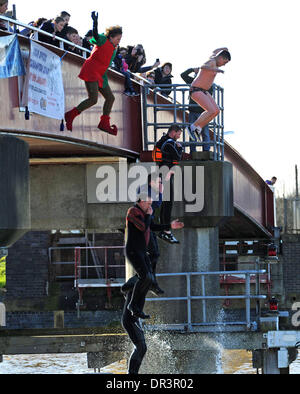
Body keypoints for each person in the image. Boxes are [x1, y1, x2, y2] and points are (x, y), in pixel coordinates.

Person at [125, 193, 183, 319]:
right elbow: (142, 227)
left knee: (149, 278)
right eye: (148, 203)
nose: (150, 206)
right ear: (140, 201)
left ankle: (137, 308)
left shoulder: (146, 214)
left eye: (151, 204)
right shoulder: (133, 211)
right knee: (144, 276)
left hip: (142, 251)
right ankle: (132, 305)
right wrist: (148, 215)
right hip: (133, 250)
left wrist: (169, 226)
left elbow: (152, 226)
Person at [64, 12, 122, 135]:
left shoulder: (114, 50)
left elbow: (106, 64)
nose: (119, 41)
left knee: (110, 98)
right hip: (91, 70)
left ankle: (104, 123)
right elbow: (95, 34)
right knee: (93, 99)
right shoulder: (103, 39)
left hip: (101, 74)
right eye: (117, 39)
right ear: (111, 37)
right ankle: (71, 115)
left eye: (120, 39)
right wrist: (95, 23)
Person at [187, 48, 231, 138]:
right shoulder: (211, 61)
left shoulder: (214, 57)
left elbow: (214, 51)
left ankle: (198, 128)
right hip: (196, 90)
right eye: (224, 62)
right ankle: (192, 127)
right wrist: (215, 69)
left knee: (216, 111)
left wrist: (222, 48)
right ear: (221, 58)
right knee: (210, 110)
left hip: (203, 91)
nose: (223, 65)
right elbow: (202, 66)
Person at [153, 124, 183, 244]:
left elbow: (158, 159)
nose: (179, 137)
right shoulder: (170, 143)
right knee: (168, 204)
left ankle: (164, 230)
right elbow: (177, 158)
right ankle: (166, 232)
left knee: (164, 204)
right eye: (179, 134)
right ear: (174, 132)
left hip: (160, 173)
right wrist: (180, 148)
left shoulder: (161, 142)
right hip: (166, 175)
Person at [181, 67, 212, 152]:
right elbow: (183, 75)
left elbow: (209, 95)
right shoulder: (194, 82)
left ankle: (206, 151)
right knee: (193, 132)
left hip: (203, 112)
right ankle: (193, 151)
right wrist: (192, 69)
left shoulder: (209, 84)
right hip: (194, 111)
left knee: (204, 133)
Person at [121, 288, 147, 374]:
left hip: (135, 320)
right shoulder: (136, 286)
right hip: (129, 321)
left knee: (143, 347)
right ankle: (131, 372)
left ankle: (134, 371)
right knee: (140, 346)